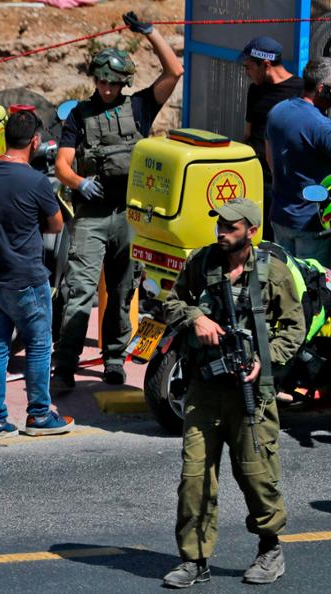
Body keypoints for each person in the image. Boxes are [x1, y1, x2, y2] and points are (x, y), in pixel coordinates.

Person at [160, 198, 305, 588]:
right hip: (204, 389)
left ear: (251, 231)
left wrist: (264, 361)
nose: (221, 232)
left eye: (231, 227)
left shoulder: (273, 272)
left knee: (258, 475)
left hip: (250, 393)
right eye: (220, 225)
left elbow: (293, 328)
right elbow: (171, 303)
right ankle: (194, 560)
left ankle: (270, 549)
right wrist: (196, 318)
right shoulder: (201, 262)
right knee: (195, 478)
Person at [52, 11, 183, 391]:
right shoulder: (79, 115)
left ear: (123, 82)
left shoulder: (140, 107)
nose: (106, 88)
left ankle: (113, 359)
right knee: (79, 292)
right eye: (101, 81)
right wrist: (80, 183)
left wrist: (150, 33)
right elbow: (62, 164)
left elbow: (174, 71)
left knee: (123, 292)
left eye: (113, 82)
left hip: (129, 216)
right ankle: (65, 365)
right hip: (92, 216)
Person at [0, 109, 74, 440]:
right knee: (39, 344)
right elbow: (56, 224)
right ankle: (39, 415)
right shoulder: (36, 181)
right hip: (25, 279)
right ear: (35, 142)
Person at [266, 58, 331, 267]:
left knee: (285, 280)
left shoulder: (278, 110)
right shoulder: (322, 127)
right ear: (322, 89)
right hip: (311, 227)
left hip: (280, 216)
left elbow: (269, 157)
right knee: (312, 283)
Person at [239, 36, 303, 241]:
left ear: (265, 64)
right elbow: (248, 133)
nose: (247, 73)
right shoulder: (255, 91)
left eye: (249, 67)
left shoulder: (299, 91)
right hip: (255, 179)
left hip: (283, 184)